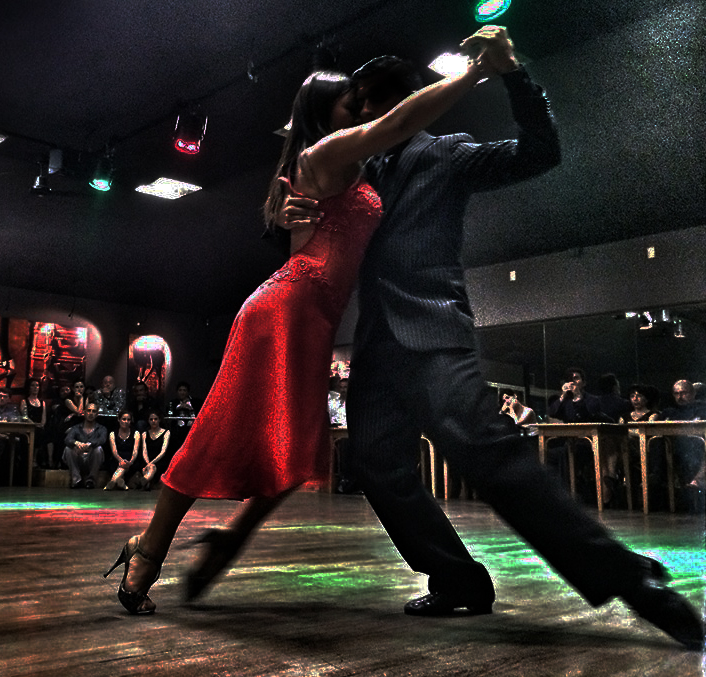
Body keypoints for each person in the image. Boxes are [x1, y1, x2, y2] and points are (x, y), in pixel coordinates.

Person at [279, 35, 702, 648]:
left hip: (433, 332)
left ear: (395, 101)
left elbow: (541, 152)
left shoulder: (445, 152)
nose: (359, 112)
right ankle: (458, 580)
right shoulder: (357, 171)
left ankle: (632, 580)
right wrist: (295, 220)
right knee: (374, 464)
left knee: (490, 458)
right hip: (375, 343)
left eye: (367, 100)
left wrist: (515, 78)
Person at [104, 26, 498, 616]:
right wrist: (471, 74)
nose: (360, 110)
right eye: (350, 103)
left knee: (297, 451)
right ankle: (149, 551)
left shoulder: (347, 167)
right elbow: (395, 124)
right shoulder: (324, 154)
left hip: (311, 320)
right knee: (219, 435)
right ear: (323, 113)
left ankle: (221, 541)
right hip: (283, 313)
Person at [62, 401, 106, 489]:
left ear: (97, 414)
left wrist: (90, 444)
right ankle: (76, 480)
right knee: (68, 449)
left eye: (94, 411)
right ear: (84, 412)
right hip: (78, 457)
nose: (91, 413)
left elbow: (102, 440)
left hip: (92, 458)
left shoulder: (101, 428)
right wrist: (76, 443)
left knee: (98, 449)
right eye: (89, 410)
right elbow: (67, 439)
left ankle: (91, 480)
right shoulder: (76, 427)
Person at [104, 409, 141, 491]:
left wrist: (130, 462)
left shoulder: (136, 433)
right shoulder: (113, 434)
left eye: (128, 420)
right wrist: (121, 461)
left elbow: (135, 451)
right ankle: (121, 483)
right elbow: (114, 451)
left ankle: (113, 481)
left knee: (122, 467)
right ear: (119, 420)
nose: (126, 422)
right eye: (124, 419)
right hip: (117, 460)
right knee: (121, 467)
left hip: (131, 461)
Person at [135, 410, 171, 491]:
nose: (153, 421)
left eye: (155, 419)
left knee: (152, 467)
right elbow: (144, 451)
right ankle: (146, 482)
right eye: (151, 419)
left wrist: (151, 463)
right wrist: (148, 463)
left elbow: (163, 451)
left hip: (159, 461)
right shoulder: (144, 434)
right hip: (147, 460)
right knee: (148, 467)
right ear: (148, 421)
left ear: (159, 420)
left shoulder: (166, 432)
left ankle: (144, 481)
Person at [20, 378, 48, 468]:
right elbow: (24, 416)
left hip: (39, 427)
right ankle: (31, 459)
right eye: (33, 385)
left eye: (37, 385)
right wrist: (33, 424)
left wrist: (41, 424)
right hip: (28, 426)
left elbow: (43, 417)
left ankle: (37, 459)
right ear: (29, 387)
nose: (35, 387)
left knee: (42, 433)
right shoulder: (24, 401)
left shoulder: (42, 402)